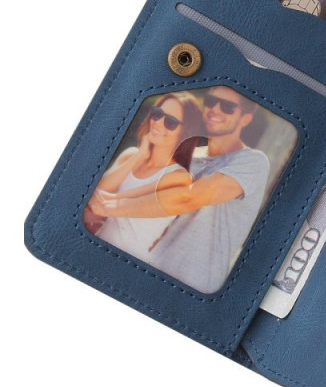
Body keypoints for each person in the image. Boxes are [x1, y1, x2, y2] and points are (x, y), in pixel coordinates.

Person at [91, 86, 270, 293]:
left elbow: (187, 198)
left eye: (227, 107)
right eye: (211, 101)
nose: (215, 109)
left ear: (245, 119)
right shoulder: (187, 159)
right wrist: (107, 200)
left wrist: (110, 206)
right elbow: (153, 194)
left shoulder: (252, 161)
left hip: (196, 285)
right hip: (151, 269)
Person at [86, 92, 204, 264]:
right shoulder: (130, 156)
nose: (158, 122)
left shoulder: (178, 177)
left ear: (185, 132)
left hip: (125, 261)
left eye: (170, 122)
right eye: (157, 114)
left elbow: (102, 202)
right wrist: (139, 156)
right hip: (94, 247)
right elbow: (92, 198)